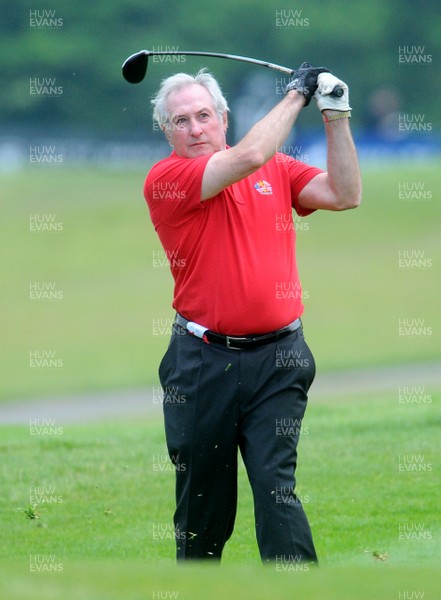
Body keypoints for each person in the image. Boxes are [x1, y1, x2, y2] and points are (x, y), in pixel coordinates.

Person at [144, 62, 361, 564]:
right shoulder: (168, 179)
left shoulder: (276, 169)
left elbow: (345, 195)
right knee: (204, 507)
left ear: (222, 117)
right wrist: (296, 95)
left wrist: (337, 115)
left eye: (203, 115)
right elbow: (250, 154)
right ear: (166, 132)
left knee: (276, 486)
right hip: (201, 364)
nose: (195, 128)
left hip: (280, 360)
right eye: (181, 121)